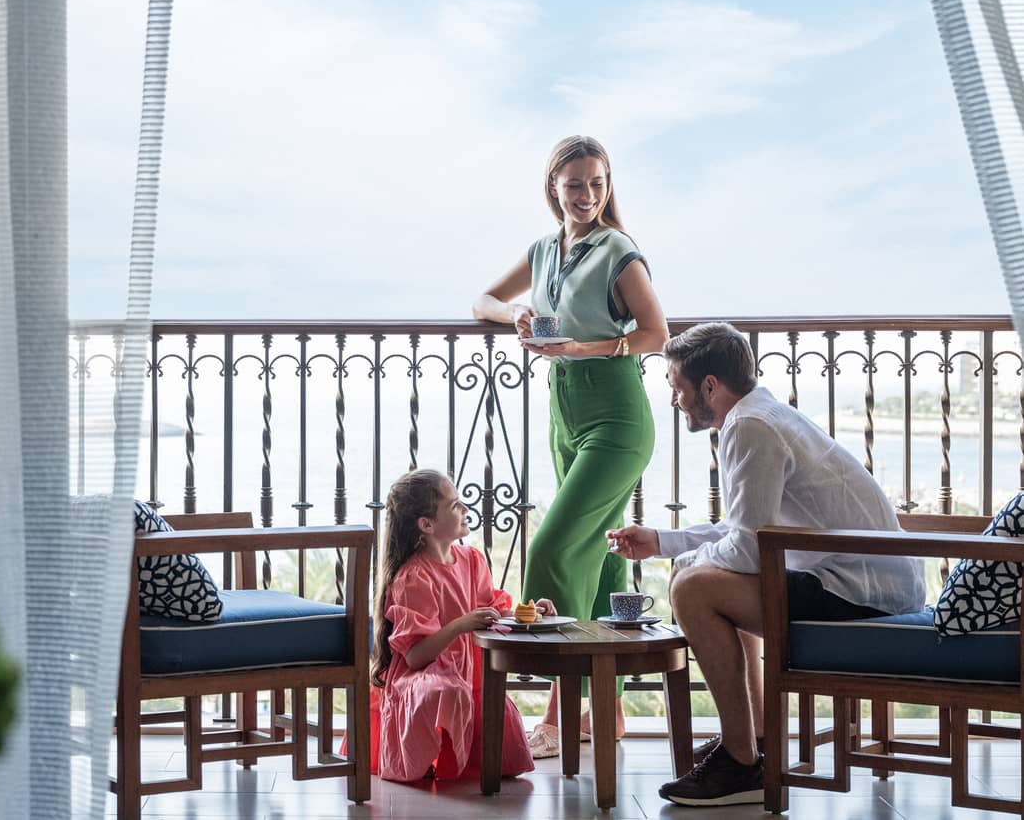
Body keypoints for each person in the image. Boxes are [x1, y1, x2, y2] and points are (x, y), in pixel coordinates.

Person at [607, 322, 926, 807]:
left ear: (709, 386)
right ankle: (754, 740)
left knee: (694, 588)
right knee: (705, 576)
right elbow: (748, 532)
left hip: (862, 595)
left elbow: (748, 550)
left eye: (677, 387)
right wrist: (664, 542)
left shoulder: (750, 427)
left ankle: (740, 763)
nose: (673, 400)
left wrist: (688, 563)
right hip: (865, 581)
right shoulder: (760, 414)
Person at [472, 135, 670, 758]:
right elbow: (481, 300)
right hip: (565, 412)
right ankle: (605, 712)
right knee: (599, 557)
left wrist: (588, 347)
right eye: (575, 183)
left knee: (554, 548)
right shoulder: (543, 250)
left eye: (597, 183)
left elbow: (657, 333)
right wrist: (516, 315)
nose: (587, 195)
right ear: (553, 187)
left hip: (616, 414)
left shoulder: (618, 250)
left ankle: (559, 714)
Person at [369, 468, 553, 782]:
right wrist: (459, 625)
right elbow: (415, 656)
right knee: (447, 691)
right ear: (427, 525)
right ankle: (430, 756)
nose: (465, 509)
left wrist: (529, 613)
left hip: (468, 670)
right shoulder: (414, 577)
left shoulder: (472, 560)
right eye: (455, 505)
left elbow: (491, 611)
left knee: (506, 758)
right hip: (424, 675)